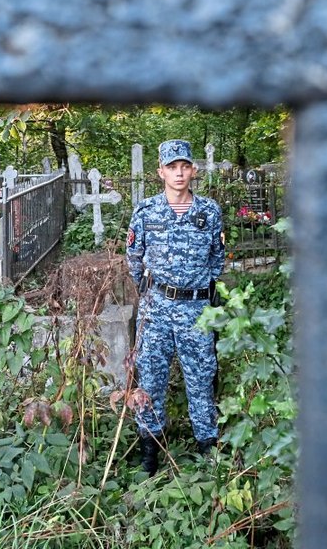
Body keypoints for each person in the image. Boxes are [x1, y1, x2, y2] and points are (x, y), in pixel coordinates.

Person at [125, 139, 225, 475]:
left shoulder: (209, 212)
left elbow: (217, 258)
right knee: (150, 380)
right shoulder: (146, 212)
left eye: (184, 166)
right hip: (156, 311)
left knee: (201, 381)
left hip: (196, 310)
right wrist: (149, 292)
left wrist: (201, 288)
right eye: (172, 167)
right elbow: (134, 258)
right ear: (161, 172)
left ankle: (208, 453)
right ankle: (150, 456)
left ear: (193, 170)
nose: (179, 173)